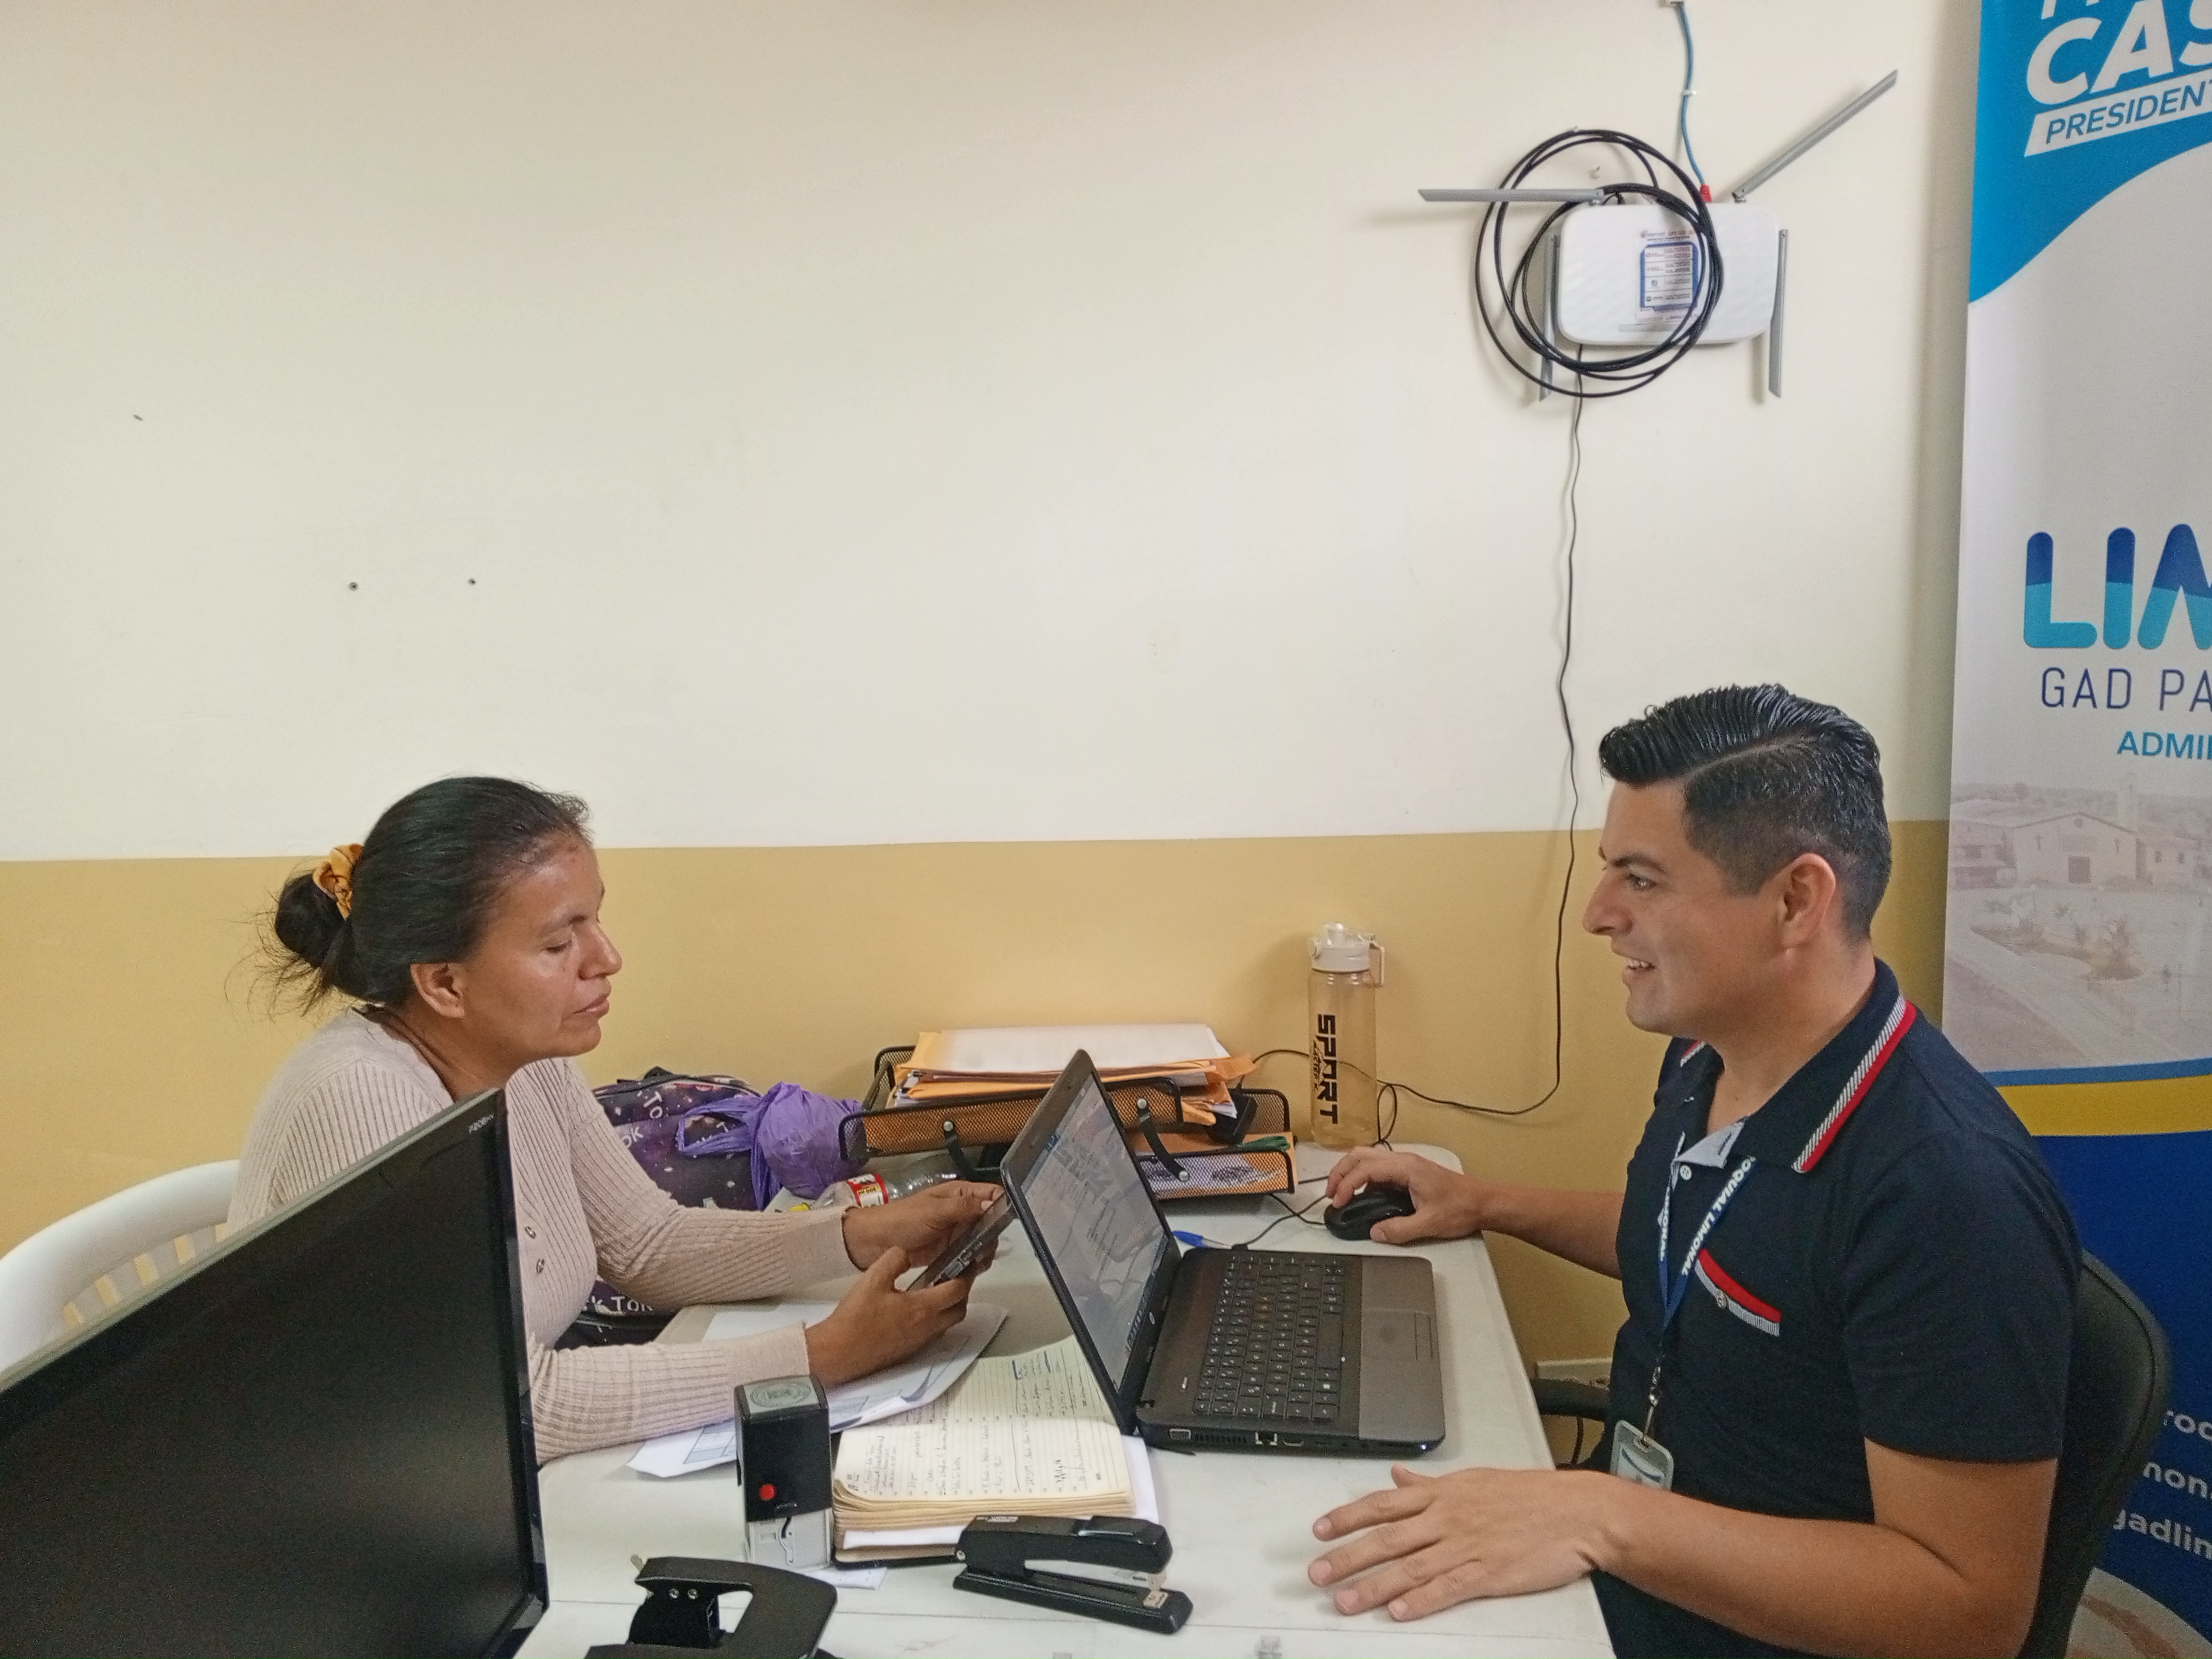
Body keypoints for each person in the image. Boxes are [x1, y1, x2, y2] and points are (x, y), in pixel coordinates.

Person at [1307, 686, 2079, 1659]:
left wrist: (1603, 1517)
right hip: (1635, 1560)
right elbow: (1696, 1238)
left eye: (1641, 879)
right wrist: (1487, 1202)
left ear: (1796, 902)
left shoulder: (1945, 1193)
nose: (1598, 915)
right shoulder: (1710, 1051)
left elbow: (1969, 1611)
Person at [231, 776, 999, 1462]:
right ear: (444, 984)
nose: (606, 958)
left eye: (596, 920)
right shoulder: (365, 1100)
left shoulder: (522, 1059)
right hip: (327, 1506)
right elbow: (511, 1404)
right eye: (558, 942)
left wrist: (863, 1235)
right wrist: (819, 1356)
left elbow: (647, 1245)